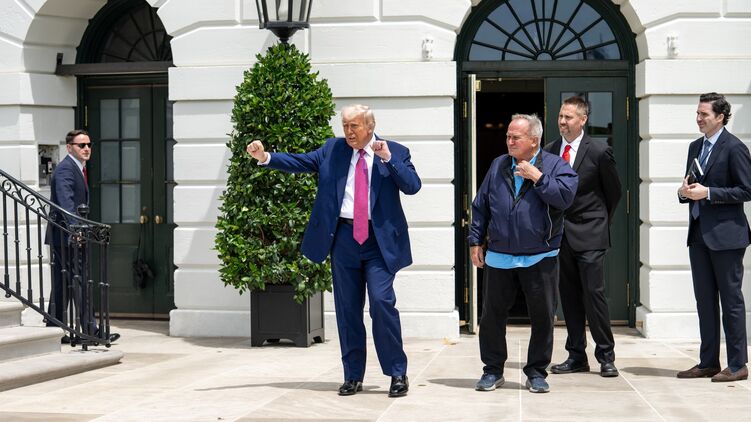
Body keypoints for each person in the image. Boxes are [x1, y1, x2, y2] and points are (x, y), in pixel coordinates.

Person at [246, 104, 421, 397]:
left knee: (381, 302)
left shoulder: (396, 151)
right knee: (347, 310)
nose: (348, 132)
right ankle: (352, 376)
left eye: (354, 126)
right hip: (344, 239)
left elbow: (413, 186)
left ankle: (397, 373)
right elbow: (301, 161)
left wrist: (388, 158)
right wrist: (265, 158)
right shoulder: (333, 149)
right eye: (345, 126)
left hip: (379, 242)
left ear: (370, 126)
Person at [469, 114, 578, 393]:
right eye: (508, 136)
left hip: (541, 255)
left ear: (534, 140)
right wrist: (475, 240)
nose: (509, 141)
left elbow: (565, 198)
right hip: (499, 255)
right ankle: (492, 370)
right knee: (492, 318)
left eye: (515, 137)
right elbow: (481, 205)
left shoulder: (555, 165)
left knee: (542, 317)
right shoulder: (498, 165)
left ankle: (537, 372)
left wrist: (538, 178)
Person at [545, 96, 622, 378]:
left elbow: (614, 193)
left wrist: (599, 224)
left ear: (583, 120)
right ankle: (576, 355)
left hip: (590, 234)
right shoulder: (549, 151)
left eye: (568, 117)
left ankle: (606, 356)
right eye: (560, 116)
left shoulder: (600, 151)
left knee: (593, 295)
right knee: (569, 297)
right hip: (561, 236)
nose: (562, 122)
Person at [677, 92, 751, 382]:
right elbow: (692, 184)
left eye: (703, 114)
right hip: (698, 234)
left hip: (727, 237)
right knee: (704, 302)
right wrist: (684, 192)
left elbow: (746, 190)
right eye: (697, 113)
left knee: (731, 302)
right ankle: (708, 362)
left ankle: (738, 365)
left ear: (720, 117)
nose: (698, 118)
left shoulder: (735, 148)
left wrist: (709, 193)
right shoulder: (695, 147)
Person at [46, 129, 120, 344]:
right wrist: (76, 229)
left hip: (65, 236)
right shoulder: (65, 170)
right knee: (80, 281)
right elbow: (66, 202)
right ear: (69, 147)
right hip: (68, 236)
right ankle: (91, 330)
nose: (87, 148)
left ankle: (53, 328)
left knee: (63, 283)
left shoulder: (77, 168)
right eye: (81, 145)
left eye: (89, 144)